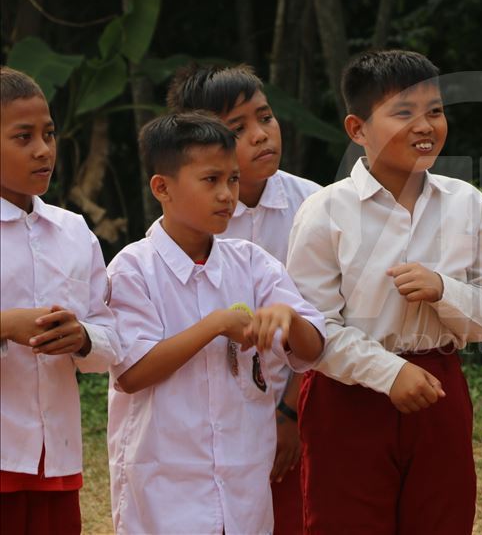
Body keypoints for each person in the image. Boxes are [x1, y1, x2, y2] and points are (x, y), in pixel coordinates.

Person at [286, 49, 482, 534]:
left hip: (439, 390)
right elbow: (314, 327)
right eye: (403, 113)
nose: (425, 126)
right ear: (357, 129)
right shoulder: (325, 212)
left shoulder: (467, 205)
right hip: (348, 398)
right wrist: (388, 373)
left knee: (443, 521)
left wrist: (443, 289)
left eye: (435, 111)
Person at [106, 112, 325, 534]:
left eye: (233, 180)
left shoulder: (254, 263)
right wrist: (215, 324)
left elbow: (313, 349)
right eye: (211, 180)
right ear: (162, 188)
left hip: (243, 483)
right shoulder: (133, 269)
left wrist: (290, 319)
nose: (227, 194)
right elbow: (132, 373)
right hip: (162, 490)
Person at [167, 63, 321, 533]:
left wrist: (292, 412)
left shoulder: (314, 205)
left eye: (266, 117)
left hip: (303, 402)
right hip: (214, 417)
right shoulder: (193, 219)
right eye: (238, 128)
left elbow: (324, 316)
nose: (261, 135)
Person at [0, 66, 122, 535]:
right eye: (23, 136)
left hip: (57, 456)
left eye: (48, 134)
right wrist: (8, 324)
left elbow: (112, 337)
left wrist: (84, 338)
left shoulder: (74, 233)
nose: (43, 150)